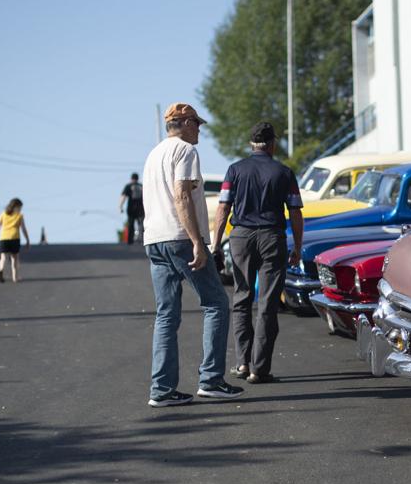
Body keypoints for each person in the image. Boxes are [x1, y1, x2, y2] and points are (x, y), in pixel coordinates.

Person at [141, 102, 243, 407]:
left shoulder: (153, 154)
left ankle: (161, 390)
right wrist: (198, 241)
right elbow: (181, 195)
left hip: (154, 240)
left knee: (166, 314)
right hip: (179, 238)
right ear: (184, 122)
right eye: (196, 123)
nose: (199, 129)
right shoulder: (184, 151)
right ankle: (211, 380)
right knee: (215, 303)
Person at [211, 122, 303, 384]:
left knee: (241, 299)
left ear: (252, 144)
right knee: (267, 303)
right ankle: (259, 369)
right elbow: (295, 212)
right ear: (272, 143)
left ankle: (241, 362)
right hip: (272, 238)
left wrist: (216, 244)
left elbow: (223, 208)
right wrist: (297, 246)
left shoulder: (235, 170)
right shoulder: (284, 173)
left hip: (241, 237)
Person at [0, 198, 30, 282]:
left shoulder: (3, 214)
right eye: (20, 207)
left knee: (3, 257)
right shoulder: (19, 216)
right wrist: (27, 240)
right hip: (14, 238)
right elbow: (23, 229)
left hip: (4, 238)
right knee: (14, 258)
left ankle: (1, 269)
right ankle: (15, 277)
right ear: (15, 207)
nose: (20, 209)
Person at [119, 172, 145, 244]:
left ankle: (130, 241)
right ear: (137, 178)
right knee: (141, 224)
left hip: (131, 209)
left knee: (131, 224)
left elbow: (123, 197)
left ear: (131, 178)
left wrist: (120, 206)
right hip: (141, 209)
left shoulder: (128, 186)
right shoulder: (141, 186)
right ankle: (143, 240)